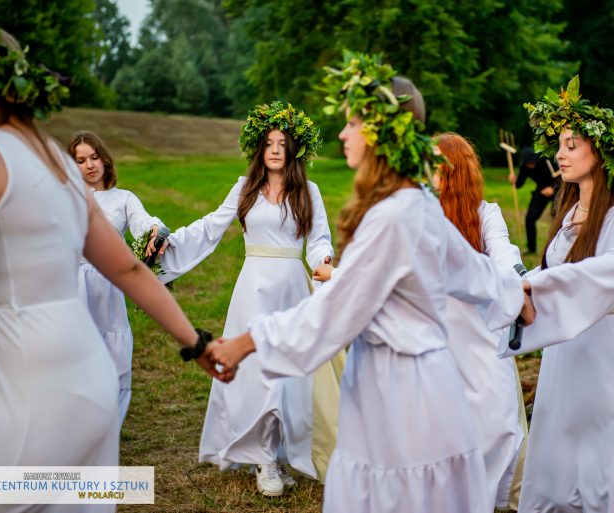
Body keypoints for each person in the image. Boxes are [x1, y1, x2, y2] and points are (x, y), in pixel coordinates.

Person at [208, 51, 533, 513]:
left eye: (353, 123)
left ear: (382, 130)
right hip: (422, 390)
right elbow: (474, 271)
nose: (342, 133)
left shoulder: (394, 216)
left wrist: (244, 344)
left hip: (401, 397)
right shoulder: (415, 203)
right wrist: (514, 294)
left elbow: (333, 312)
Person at [0, 26, 226, 512]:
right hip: (89, 382)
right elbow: (131, 271)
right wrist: (197, 342)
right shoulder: (54, 160)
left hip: (23, 386)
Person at [498, 76, 614, 512]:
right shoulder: (567, 207)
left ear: (602, 151)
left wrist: (534, 285)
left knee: (605, 462)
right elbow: (548, 270)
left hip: (608, 352)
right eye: (559, 144)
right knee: (559, 458)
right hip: (564, 351)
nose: (559, 153)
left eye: (571, 144)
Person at [158, 101, 337, 496]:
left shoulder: (308, 190)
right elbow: (210, 227)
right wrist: (168, 246)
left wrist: (323, 260)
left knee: (288, 370)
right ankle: (262, 458)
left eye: (282, 143)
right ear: (259, 149)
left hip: (291, 285)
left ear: (293, 150)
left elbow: (318, 238)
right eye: (268, 142)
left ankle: (279, 448)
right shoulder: (245, 188)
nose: (275, 149)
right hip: (254, 285)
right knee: (257, 368)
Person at [433, 132, 528, 511]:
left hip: (479, 329)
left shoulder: (484, 214)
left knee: (498, 418)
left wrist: (522, 277)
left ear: (453, 173)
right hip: (434, 329)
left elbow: (504, 252)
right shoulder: (418, 214)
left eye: (434, 166)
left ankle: (483, 496)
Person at [67, 130, 166, 426]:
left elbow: (144, 222)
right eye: (81, 160)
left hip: (107, 286)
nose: (89, 165)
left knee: (116, 358)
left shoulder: (122, 199)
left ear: (105, 160)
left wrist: (155, 233)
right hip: (72, 286)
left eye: (94, 157)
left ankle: (107, 428)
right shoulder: (64, 198)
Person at [509, 147, 559, 254]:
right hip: (541, 191)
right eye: (528, 163)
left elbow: (561, 175)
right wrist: (513, 180)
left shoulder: (546, 160)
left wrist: (552, 188)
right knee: (530, 219)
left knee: (557, 218)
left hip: (557, 189)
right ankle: (531, 248)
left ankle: (557, 249)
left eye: (532, 162)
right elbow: (518, 184)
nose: (531, 165)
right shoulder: (525, 168)